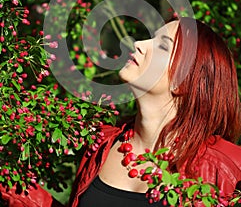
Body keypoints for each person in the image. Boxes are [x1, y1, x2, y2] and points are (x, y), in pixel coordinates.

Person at [1, 17, 241, 206]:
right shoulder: (102, 144)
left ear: (184, 81)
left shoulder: (228, 168)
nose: (138, 43)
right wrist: (10, 183)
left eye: (162, 46)